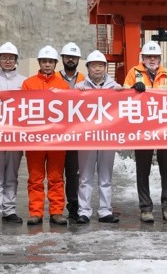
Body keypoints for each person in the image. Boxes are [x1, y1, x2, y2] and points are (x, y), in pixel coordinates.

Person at [122, 41, 167, 222]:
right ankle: (145, 208)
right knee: (143, 169)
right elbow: (123, 96)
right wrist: (133, 90)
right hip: (142, 130)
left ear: (160, 59)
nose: (152, 59)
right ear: (143, 58)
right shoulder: (133, 73)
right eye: (149, 56)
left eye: (155, 57)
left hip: (164, 129)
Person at [74, 51, 124, 224]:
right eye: (93, 65)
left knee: (105, 176)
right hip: (86, 138)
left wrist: (122, 92)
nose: (97, 68)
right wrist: (76, 93)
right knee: (85, 177)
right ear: (87, 68)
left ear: (105, 68)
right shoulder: (79, 87)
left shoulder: (115, 87)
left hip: (107, 138)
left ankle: (105, 210)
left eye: (100, 65)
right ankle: (84, 211)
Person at [23, 46, 70, 226]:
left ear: (55, 63)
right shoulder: (28, 84)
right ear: (39, 63)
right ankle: (36, 212)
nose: (47, 64)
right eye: (44, 61)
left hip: (57, 140)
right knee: (35, 178)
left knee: (56, 178)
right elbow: (22, 109)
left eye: (50, 62)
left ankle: (56, 211)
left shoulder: (63, 85)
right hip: (35, 140)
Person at [0, 41, 26, 226]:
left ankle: (9, 209)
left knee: (11, 175)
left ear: (16, 60)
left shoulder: (24, 82)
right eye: (4, 58)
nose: (7, 61)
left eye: (11, 58)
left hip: (16, 136)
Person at [57, 42, 85, 221]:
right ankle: (56, 209)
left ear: (78, 60)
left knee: (74, 173)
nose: (70, 59)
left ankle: (74, 206)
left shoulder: (85, 78)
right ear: (62, 59)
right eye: (68, 57)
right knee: (56, 174)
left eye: (73, 57)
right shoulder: (53, 78)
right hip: (57, 134)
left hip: (77, 134)